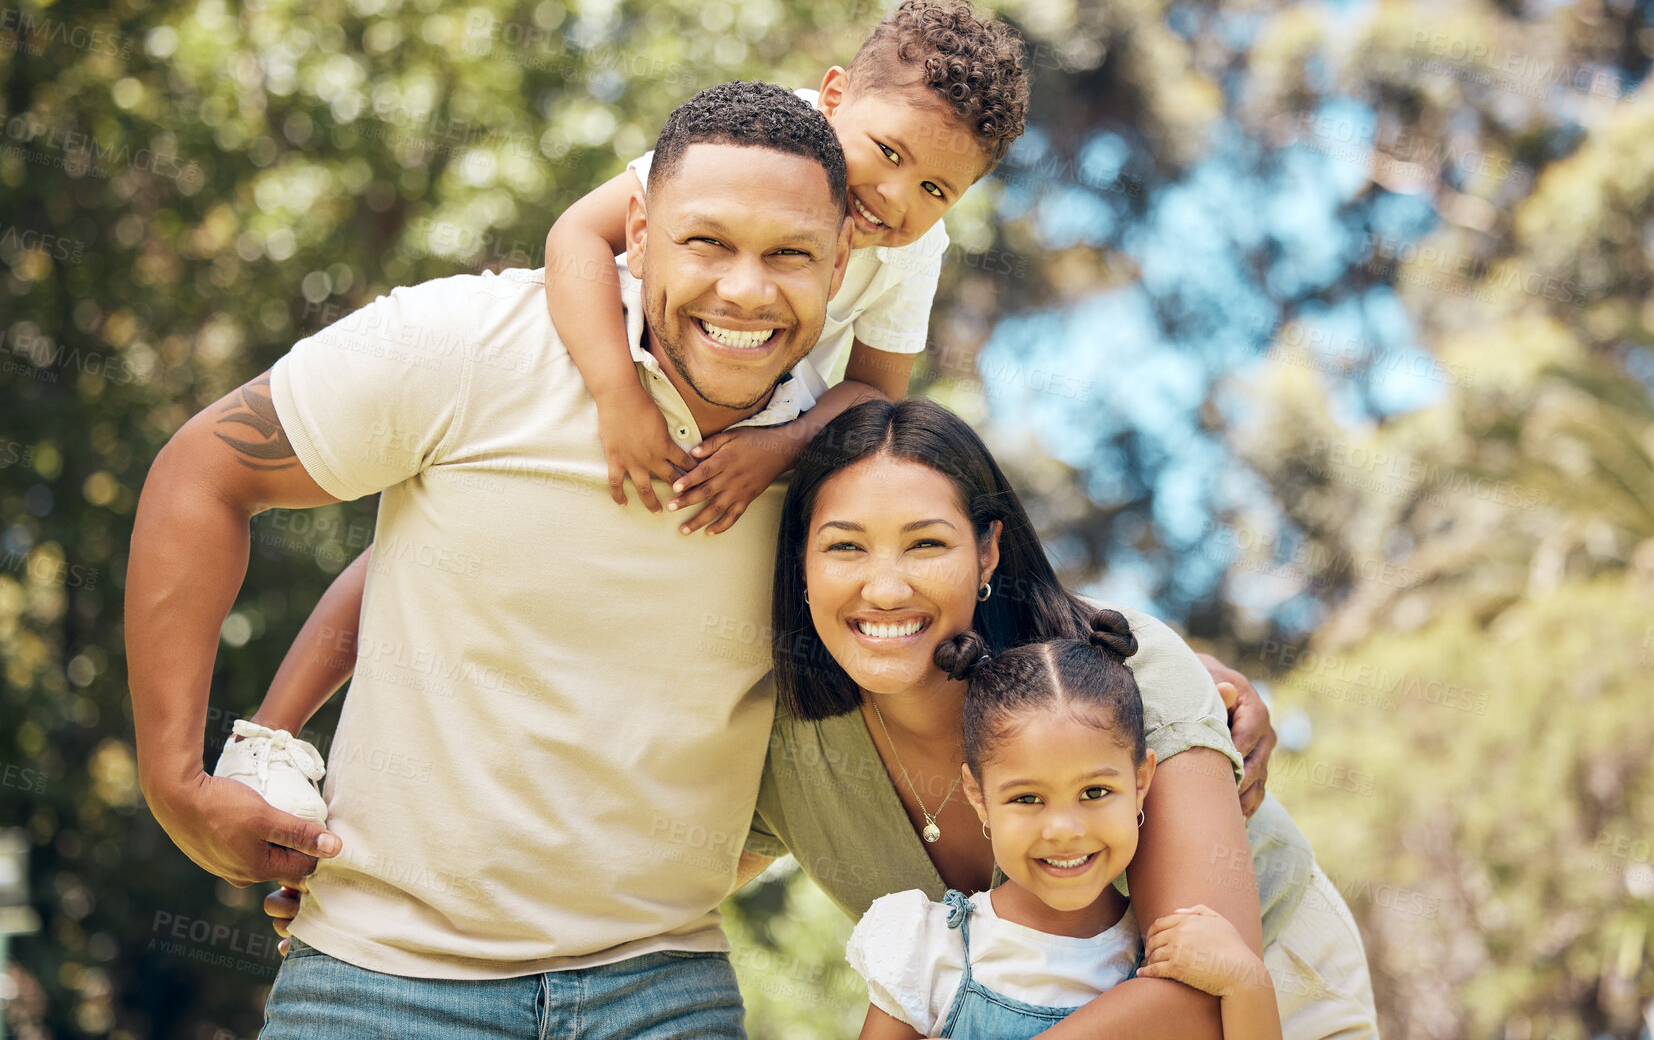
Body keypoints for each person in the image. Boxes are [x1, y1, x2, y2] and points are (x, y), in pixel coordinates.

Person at [267, 400, 1380, 1036]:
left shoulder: (1124, 677)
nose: (883, 589)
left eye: (926, 545)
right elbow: (603, 844)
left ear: (989, 551)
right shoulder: (782, 742)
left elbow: (1195, 1000)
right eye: (843, 547)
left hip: (1268, 1004)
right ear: (793, 564)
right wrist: (371, 868)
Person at [125, 81, 855, 1039]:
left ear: (842, 261)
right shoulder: (471, 344)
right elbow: (202, 473)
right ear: (637, 231)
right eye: (707, 242)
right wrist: (174, 781)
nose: (747, 290)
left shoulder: (844, 472)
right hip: (377, 986)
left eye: (790, 253)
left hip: (661, 988)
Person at [541, 0, 1028, 535]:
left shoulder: (914, 248)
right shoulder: (756, 143)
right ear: (834, 97)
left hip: (753, 399)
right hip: (636, 356)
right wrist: (618, 396)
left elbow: (875, 388)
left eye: (934, 189)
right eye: (889, 152)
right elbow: (579, 234)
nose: (895, 196)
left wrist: (780, 447)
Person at [846, 616, 1280, 1039]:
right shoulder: (929, 952)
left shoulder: (1176, 953)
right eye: (1027, 798)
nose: (1064, 829)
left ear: (1141, 782)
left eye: (1094, 793)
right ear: (979, 797)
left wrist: (1246, 983)